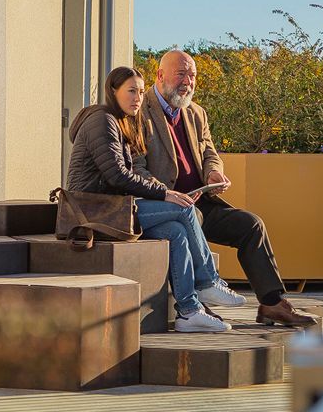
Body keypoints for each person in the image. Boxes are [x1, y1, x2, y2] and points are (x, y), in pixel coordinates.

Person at [137, 49, 318, 327]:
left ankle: (272, 304)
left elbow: (210, 152)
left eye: (192, 75)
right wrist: (165, 194)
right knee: (187, 221)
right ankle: (198, 301)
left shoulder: (196, 112)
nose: (188, 82)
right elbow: (136, 167)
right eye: (181, 74)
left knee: (251, 225)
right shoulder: (140, 112)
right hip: (166, 205)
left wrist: (213, 172)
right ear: (160, 75)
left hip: (200, 200)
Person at [66, 66, 245, 333]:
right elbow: (118, 176)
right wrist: (165, 193)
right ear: (113, 91)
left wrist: (164, 193)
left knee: (175, 232)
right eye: (131, 91)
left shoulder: (123, 122)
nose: (138, 98)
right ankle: (208, 282)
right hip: (94, 212)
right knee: (183, 209)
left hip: (116, 208)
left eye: (141, 92)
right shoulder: (102, 121)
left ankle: (189, 312)